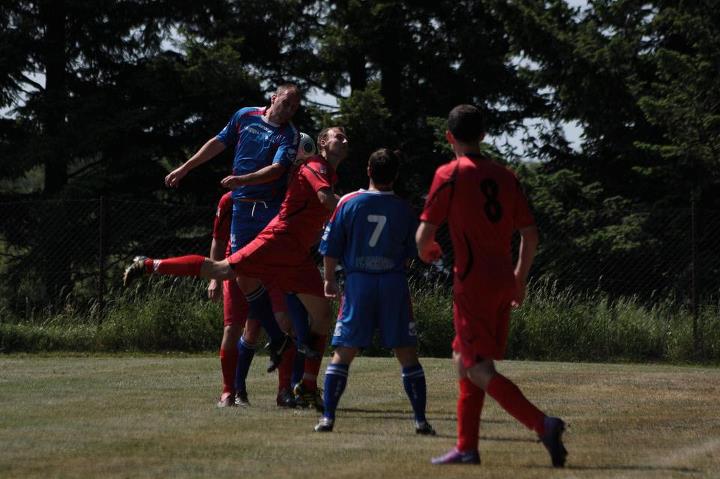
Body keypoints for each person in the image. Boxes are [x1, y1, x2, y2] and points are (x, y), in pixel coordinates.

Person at [124, 126, 350, 410]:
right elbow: (326, 200)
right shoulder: (316, 165)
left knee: (321, 315)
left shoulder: (323, 172)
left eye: (345, 137)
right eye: (338, 136)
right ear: (321, 144)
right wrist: (359, 205)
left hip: (296, 254)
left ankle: (304, 387)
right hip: (278, 242)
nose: (344, 140)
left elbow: (318, 213)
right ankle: (148, 265)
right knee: (221, 274)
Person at [416, 104, 567, 467]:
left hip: (472, 283)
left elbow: (423, 238)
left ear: (449, 137)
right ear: (484, 136)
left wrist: (428, 251)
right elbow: (530, 235)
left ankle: (543, 424)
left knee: (478, 369)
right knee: (464, 359)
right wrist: (519, 278)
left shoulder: (450, 174)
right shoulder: (507, 176)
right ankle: (466, 447)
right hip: (502, 279)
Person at [163, 84, 302, 370]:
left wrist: (243, 180)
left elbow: (276, 170)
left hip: (268, 211)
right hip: (242, 209)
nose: (289, 109)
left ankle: (283, 358)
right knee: (237, 274)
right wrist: (185, 167)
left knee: (259, 279)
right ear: (273, 98)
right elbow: (218, 141)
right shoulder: (245, 115)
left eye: (294, 107)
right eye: (286, 102)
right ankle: (267, 350)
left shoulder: (290, 135)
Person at [313, 148, 436, 436]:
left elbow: (331, 248)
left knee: (344, 351)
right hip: (393, 283)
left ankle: (328, 418)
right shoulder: (404, 209)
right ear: (395, 175)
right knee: (406, 353)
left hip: (359, 283)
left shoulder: (348, 203)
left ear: (368, 170)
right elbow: (411, 252)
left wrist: (329, 279)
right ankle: (420, 420)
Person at [208, 192, 296, 408]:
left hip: (270, 268)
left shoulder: (279, 194)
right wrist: (214, 278)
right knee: (234, 329)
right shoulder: (229, 199)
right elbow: (218, 240)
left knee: (284, 323)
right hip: (237, 267)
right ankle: (230, 391)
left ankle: (284, 390)